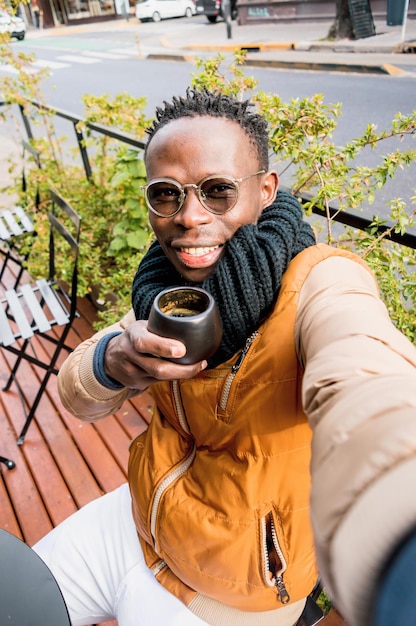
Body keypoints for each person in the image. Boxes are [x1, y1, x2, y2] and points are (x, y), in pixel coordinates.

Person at [33, 89, 416, 626]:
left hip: (229, 597)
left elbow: (367, 377)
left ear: (264, 191)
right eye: (166, 195)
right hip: (136, 522)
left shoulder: (320, 282)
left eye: (217, 191)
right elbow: (76, 395)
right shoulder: (164, 287)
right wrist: (113, 360)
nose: (189, 217)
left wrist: (399, 501)